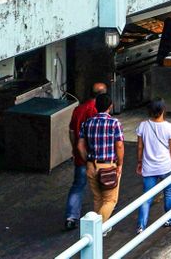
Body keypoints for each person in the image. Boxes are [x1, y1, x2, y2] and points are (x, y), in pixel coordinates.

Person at [65, 81, 108, 231]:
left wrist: (74, 150)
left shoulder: (78, 109)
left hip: (80, 156)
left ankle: (71, 217)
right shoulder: (98, 111)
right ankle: (103, 215)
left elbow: (71, 132)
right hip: (98, 156)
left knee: (77, 186)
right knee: (103, 188)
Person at [77, 94, 124, 223]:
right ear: (110, 106)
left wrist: (88, 160)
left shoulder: (87, 123)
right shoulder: (114, 123)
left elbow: (80, 145)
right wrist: (119, 164)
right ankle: (97, 229)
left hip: (91, 165)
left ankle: (101, 229)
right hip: (108, 165)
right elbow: (119, 145)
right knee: (110, 200)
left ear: (96, 106)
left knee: (98, 198)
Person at [135, 99, 171, 233]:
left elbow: (140, 147)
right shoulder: (170, 127)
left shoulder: (143, 126)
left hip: (149, 167)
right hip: (166, 166)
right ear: (163, 111)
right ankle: (169, 219)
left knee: (146, 196)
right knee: (169, 192)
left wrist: (139, 162)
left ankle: (141, 225)